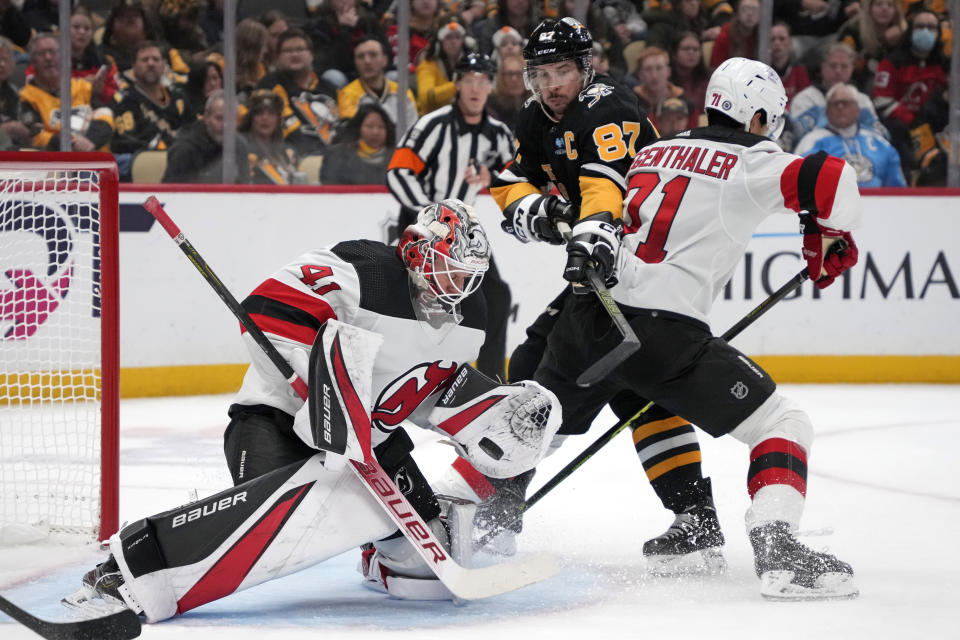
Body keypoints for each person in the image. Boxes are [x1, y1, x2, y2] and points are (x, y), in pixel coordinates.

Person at [63, 200, 562, 619]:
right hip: (276, 423)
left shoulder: (468, 317)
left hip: (371, 447)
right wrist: (318, 386)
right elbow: (265, 308)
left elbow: (431, 389)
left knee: (425, 574)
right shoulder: (367, 271)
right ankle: (132, 566)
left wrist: (495, 409)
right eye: (446, 269)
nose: (453, 286)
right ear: (414, 248)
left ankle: (376, 549)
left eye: (464, 277)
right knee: (289, 523)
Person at [512, 56, 861, 599]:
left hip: (590, 312)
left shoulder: (655, 150)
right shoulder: (752, 154)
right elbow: (833, 179)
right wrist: (825, 234)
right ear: (760, 117)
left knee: (542, 424)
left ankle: (471, 515)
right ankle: (779, 548)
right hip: (664, 329)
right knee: (783, 421)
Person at [452, 18, 728, 577]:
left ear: (586, 68)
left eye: (562, 71)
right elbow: (506, 178)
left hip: (636, 276)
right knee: (639, 390)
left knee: (538, 373)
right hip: (622, 279)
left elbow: (605, 188)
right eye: (541, 73)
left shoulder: (609, 110)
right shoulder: (536, 117)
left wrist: (589, 227)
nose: (551, 84)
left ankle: (495, 508)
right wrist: (540, 210)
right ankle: (696, 519)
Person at [386, 52, 515, 383]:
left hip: (461, 231)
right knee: (406, 301)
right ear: (457, 84)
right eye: (469, 80)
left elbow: (519, 178)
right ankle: (395, 371)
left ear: (491, 86)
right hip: (418, 227)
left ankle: (490, 382)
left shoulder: (498, 134)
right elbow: (399, 170)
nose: (475, 88)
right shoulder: (433, 125)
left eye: (483, 81)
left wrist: (493, 178)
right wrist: (430, 212)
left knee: (497, 296)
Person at [872, 8, 948, 176]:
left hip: (933, 122)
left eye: (931, 27)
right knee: (897, 131)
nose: (925, 31)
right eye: (920, 26)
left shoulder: (944, 64)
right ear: (911, 30)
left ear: (939, 32)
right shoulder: (892, 61)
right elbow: (881, 100)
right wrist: (913, 121)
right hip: (900, 124)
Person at [795, 83, 906, 187]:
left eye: (846, 103)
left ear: (858, 110)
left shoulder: (880, 143)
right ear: (826, 111)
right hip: (831, 205)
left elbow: (899, 190)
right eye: (835, 104)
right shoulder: (811, 142)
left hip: (877, 205)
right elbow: (798, 183)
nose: (840, 107)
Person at [19, 32, 114, 151]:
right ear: (33, 61)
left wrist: (89, 141)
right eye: (41, 54)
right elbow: (35, 135)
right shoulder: (26, 97)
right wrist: (73, 144)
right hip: (59, 164)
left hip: (98, 158)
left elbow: (105, 115)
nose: (48, 58)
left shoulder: (83, 87)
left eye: (53, 52)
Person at [258, 28, 340, 157]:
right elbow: (285, 124)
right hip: (298, 156)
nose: (295, 54)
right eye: (288, 51)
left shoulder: (329, 88)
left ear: (312, 55)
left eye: (300, 49)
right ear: (278, 57)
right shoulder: (270, 84)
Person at [790, 43, 888, 151]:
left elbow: (881, 138)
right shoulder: (805, 99)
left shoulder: (862, 100)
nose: (838, 71)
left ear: (852, 68)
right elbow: (798, 137)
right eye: (833, 66)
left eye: (844, 66)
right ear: (822, 66)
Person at [111, 41, 195, 159]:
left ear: (164, 64)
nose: (151, 64)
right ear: (133, 65)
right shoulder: (125, 100)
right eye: (145, 60)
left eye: (156, 59)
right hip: (146, 162)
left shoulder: (178, 97)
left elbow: (194, 128)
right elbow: (125, 141)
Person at [162, 90, 250, 183]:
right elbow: (173, 193)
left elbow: (244, 187)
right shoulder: (185, 149)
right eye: (219, 118)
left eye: (231, 119)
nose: (226, 126)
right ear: (207, 117)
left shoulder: (239, 145)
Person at [337, 36, 418, 135]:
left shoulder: (403, 92)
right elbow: (355, 134)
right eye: (360, 57)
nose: (367, 61)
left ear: (385, 60)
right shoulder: (346, 94)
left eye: (373, 55)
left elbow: (412, 131)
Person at [320, 102, 396, 185]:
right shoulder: (337, 155)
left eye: (381, 127)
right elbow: (330, 189)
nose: (376, 132)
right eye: (370, 126)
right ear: (358, 128)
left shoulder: (398, 158)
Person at [240, 89, 304, 185]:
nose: (265, 118)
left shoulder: (288, 152)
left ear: (279, 120)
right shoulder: (241, 150)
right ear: (251, 118)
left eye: (271, 113)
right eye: (259, 113)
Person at [633, 46, 696, 132]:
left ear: (668, 71)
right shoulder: (633, 104)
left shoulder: (687, 104)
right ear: (640, 75)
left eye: (659, 68)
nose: (654, 75)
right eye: (648, 69)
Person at [415, 20, 469, 116]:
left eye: (457, 37)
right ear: (440, 42)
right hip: (431, 118)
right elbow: (425, 98)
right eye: (448, 37)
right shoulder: (428, 65)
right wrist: (455, 86)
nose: (453, 42)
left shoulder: (469, 65)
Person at [68, 6, 120, 105]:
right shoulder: (51, 59)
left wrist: (101, 91)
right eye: (76, 27)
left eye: (87, 28)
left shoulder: (104, 62)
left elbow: (118, 95)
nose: (82, 32)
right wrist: (83, 85)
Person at [485, 54, 528, 134]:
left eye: (519, 73)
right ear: (502, 77)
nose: (514, 79)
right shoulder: (490, 104)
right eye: (510, 74)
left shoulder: (536, 105)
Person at [709, 0, 759, 69]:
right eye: (745, 9)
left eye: (754, 9)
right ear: (738, 13)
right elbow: (716, 68)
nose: (749, 13)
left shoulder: (764, 36)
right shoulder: (725, 37)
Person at [0, 37, 30, 150]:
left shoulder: (14, 92)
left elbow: (22, 119)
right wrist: (4, 129)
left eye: (5, 60)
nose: (2, 64)